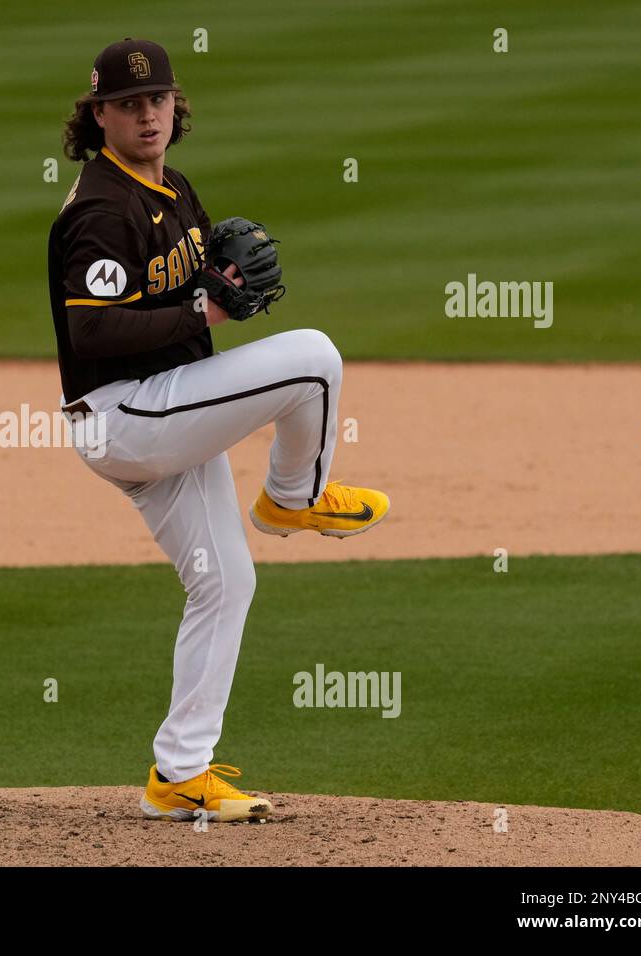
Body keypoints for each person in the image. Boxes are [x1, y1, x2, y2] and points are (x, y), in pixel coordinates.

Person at [47, 38, 391, 822]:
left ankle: (179, 775)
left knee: (225, 581)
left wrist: (218, 284)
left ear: (176, 107)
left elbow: (193, 299)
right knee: (314, 359)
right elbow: (93, 335)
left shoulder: (171, 189)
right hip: (127, 415)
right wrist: (208, 305)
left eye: (158, 100)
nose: (147, 114)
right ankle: (293, 498)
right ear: (97, 116)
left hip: (160, 413)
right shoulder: (104, 206)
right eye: (128, 104)